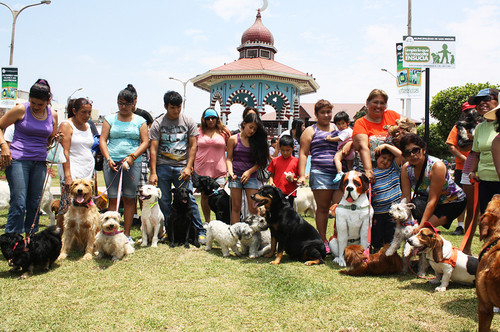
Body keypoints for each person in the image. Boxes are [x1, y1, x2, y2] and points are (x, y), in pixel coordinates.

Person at [0, 79, 59, 235]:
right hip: (18, 160)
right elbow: (0, 126)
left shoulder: (52, 115)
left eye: (40, 104)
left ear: (48, 101)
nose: (36, 107)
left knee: (34, 203)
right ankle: (12, 240)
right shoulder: (20, 110)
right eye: (33, 103)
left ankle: (31, 239)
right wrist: (4, 146)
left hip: (39, 161)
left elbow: (50, 139)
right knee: (19, 202)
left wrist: (55, 137)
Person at [149, 91, 206, 243]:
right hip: (163, 167)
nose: (176, 110)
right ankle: (169, 231)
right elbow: (153, 149)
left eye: (179, 107)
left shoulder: (188, 121)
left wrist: (189, 167)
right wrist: (153, 172)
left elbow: (194, 145)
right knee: (164, 200)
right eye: (172, 107)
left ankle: (200, 231)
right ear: (165, 106)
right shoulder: (157, 123)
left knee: (190, 199)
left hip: (182, 168)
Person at [99, 85, 149, 244]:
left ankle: (126, 234)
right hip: (112, 162)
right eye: (120, 103)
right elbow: (103, 140)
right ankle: (110, 233)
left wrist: (132, 157)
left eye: (127, 104)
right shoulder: (110, 119)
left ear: (133, 104)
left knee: (129, 199)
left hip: (132, 163)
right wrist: (108, 158)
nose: (123, 107)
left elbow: (145, 142)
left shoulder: (140, 121)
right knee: (113, 199)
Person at [298, 99, 342, 254]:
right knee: (322, 209)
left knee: (339, 209)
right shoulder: (310, 130)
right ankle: (323, 242)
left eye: (328, 112)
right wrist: (302, 175)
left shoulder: (338, 128)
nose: (326, 115)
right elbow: (303, 153)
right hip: (320, 173)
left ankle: (338, 240)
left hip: (338, 175)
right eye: (322, 112)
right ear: (316, 114)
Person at [400, 133, 466, 231]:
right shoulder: (406, 168)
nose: (412, 155)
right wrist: (401, 219)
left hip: (453, 201)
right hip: (426, 202)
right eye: (407, 153)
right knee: (415, 206)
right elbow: (405, 198)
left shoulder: (436, 166)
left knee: (424, 229)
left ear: (424, 150)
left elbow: (433, 200)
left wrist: (421, 226)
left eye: (415, 150)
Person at [56, 98, 95, 230]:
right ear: (74, 111)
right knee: (67, 207)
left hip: (87, 171)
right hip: (72, 170)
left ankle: (82, 240)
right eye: (83, 112)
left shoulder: (88, 126)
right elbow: (64, 151)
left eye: (89, 112)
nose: (87, 116)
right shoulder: (66, 125)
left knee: (86, 206)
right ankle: (61, 239)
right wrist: (68, 176)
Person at [226, 112, 269, 224]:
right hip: (235, 177)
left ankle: (259, 234)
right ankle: (236, 235)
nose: (252, 131)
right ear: (244, 124)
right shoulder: (233, 139)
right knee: (236, 207)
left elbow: (260, 162)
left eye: (255, 129)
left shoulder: (256, 141)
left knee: (254, 207)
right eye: (250, 127)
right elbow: (229, 159)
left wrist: (249, 172)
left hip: (251, 177)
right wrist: (230, 172)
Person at [352, 89, 401, 183]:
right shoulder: (361, 123)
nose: (378, 106)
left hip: (393, 172)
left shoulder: (392, 115)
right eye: (375, 102)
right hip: (370, 172)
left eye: (382, 103)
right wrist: (369, 171)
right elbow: (363, 147)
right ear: (367, 102)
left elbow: (408, 127)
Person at [194, 108, 231, 223]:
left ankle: (220, 223)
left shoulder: (224, 132)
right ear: (203, 120)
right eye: (207, 118)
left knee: (220, 197)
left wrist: (231, 169)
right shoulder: (198, 132)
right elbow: (193, 148)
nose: (210, 120)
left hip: (219, 170)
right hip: (201, 170)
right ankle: (207, 222)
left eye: (213, 118)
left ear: (217, 119)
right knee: (205, 197)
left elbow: (231, 150)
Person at [446, 102, 477, 235]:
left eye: (472, 110)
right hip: (461, 168)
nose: (469, 113)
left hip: (478, 168)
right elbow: (451, 146)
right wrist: (465, 160)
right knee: (461, 197)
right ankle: (460, 226)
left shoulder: (481, 126)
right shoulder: (457, 127)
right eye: (467, 111)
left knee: (477, 199)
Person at [469, 88, 500, 214]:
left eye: (486, 98)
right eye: (478, 101)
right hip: (485, 181)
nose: (482, 103)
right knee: (487, 219)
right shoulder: (480, 128)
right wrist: (472, 171)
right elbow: (477, 154)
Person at [370, 143, 402, 251]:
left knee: (391, 236)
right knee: (377, 236)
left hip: (393, 212)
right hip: (378, 212)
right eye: (383, 158)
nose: (385, 161)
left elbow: (400, 155)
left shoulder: (393, 169)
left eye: (389, 159)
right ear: (377, 158)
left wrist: (385, 146)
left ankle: (391, 255)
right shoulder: (371, 173)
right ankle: (377, 253)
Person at [267, 135, 299, 207]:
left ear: (293, 148)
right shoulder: (275, 160)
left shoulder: (296, 162)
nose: (285, 153)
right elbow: (271, 175)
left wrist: (293, 179)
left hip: (289, 193)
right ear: (279, 149)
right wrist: (271, 182)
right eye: (282, 150)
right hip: (276, 192)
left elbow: (300, 179)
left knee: (288, 215)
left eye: (288, 150)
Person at [327, 111, 354, 176]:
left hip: (343, 149)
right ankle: (351, 175)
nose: (341, 126)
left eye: (343, 123)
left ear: (348, 122)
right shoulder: (349, 130)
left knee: (336, 158)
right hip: (352, 152)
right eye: (338, 124)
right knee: (349, 166)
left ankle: (339, 172)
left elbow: (340, 138)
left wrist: (330, 139)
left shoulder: (346, 131)